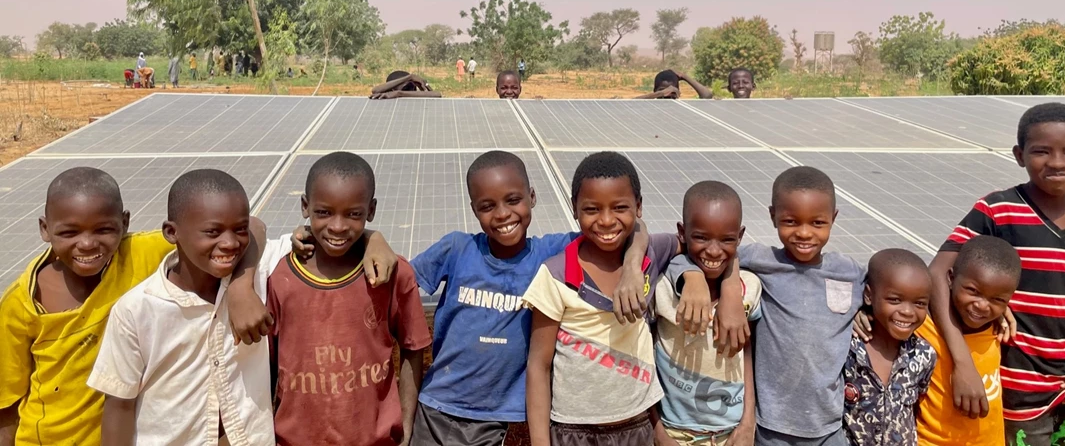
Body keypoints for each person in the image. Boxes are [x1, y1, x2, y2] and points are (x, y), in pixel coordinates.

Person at [0, 167, 269, 445]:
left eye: (104, 229)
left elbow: (253, 227)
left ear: (125, 223)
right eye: (69, 232)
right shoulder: (23, 302)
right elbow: (6, 402)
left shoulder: (137, 253)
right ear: (45, 229)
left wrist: (240, 289)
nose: (88, 243)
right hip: (46, 439)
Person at [409, 151, 649, 446]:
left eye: (513, 200)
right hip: (437, 406)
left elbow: (629, 227)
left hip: (498, 417)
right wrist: (374, 241)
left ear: (532, 196)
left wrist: (634, 263)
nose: (502, 214)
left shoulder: (550, 253)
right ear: (473, 209)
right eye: (487, 206)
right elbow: (400, 281)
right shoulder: (457, 248)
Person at [929, 103, 1065, 446]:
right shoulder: (998, 210)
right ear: (1019, 155)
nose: (1058, 162)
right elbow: (938, 272)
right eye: (1042, 151)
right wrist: (962, 362)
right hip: (1015, 386)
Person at [673, 166, 865, 445]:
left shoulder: (849, 273)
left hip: (828, 427)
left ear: (833, 219)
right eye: (791, 221)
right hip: (770, 429)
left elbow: (883, 291)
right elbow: (700, 255)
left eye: (817, 223)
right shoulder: (762, 261)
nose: (804, 233)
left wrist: (865, 313)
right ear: (773, 216)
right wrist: (725, 288)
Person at [87, 170, 274, 444]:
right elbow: (119, 406)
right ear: (171, 232)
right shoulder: (137, 310)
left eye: (239, 230)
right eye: (212, 232)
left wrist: (241, 287)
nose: (230, 243)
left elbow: (258, 226)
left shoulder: (259, 274)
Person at [524, 151, 693, 446]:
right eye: (591, 209)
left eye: (619, 207)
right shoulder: (556, 274)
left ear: (638, 206)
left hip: (639, 424)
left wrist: (696, 280)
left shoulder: (649, 257)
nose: (605, 220)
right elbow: (539, 365)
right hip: (574, 432)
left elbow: (692, 245)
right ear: (574, 209)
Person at [267, 152, 432, 445]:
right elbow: (266, 363)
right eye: (324, 212)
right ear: (305, 207)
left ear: (371, 210)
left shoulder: (392, 273)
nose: (338, 226)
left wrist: (406, 427)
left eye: (353, 214)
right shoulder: (280, 277)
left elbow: (413, 349)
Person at [653, 181, 761, 446]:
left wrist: (748, 423)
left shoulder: (749, 289)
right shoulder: (663, 288)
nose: (713, 250)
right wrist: (658, 432)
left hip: (732, 433)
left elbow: (749, 355)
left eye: (726, 239)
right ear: (682, 232)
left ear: (741, 236)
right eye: (701, 237)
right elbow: (644, 358)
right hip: (674, 432)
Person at [914, 236, 1020, 446]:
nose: (982, 305)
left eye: (997, 299)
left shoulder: (998, 330)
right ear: (951, 279)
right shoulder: (923, 327)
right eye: (972, 291)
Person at [842, 249, 936, 446]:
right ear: (868, 296)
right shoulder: (846, 347)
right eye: (895, 300)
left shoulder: (923, 355)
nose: (908, 312)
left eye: (919, 303)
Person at [636, 70, 714, 99]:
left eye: (671, 92)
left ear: (678, 92)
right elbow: (627, 104)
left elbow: (707, 95)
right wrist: (661, 93)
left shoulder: (684, 108)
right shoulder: (648, 106)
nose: (667, 94)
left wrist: (684, 76)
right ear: (654, 91)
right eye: (662, 90)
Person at [370, 71, 443, 100]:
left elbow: (437, 94)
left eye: (413, 87)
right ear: (392, 90)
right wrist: (409, 78)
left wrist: (425, 85)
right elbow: (375, 90)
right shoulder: (388, 97)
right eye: (407, 87)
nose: (412, 91)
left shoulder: (405, 95)